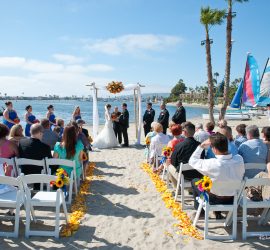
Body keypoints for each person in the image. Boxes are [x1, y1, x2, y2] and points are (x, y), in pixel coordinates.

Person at [189, 134, 245, 219]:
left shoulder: (211, 163)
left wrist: (201, 146)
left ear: (214, 149)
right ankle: (216, 213)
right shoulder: (239, 159)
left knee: (195, 181)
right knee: (219, 183)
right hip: (233, 199)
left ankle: (200, 212)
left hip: (214, 200)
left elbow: (192, 161)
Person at [168, 123, 203, 187]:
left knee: (170, 167)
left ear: (185, 132)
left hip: (184, 175)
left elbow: (173, 162)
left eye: (183, 130)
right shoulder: (200, 145)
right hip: (198, 173)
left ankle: (177, 189)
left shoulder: (179, 145)